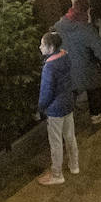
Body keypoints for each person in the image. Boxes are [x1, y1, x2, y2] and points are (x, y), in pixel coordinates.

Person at [53, 0, 101, 125]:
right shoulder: (87, 29)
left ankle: (63, 124)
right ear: (87, 11)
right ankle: (96, 114)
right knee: (94, 79)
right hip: (83, 73)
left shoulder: (57, 26)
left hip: (62, 72)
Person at [36, 31, 79, 184]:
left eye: (43, 45)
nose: (40, 47)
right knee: (70, 137)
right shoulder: (65, 57)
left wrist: (41, 107)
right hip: (68, 103)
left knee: (55, 142)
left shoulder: (49, 67)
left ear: (51, 47)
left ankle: (57, 174)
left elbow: (46, 91)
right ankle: (74, 165)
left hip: (55, 109)